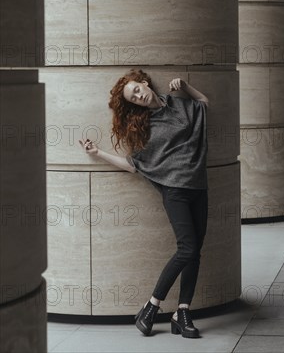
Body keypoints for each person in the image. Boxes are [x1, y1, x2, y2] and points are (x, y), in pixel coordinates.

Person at [79, 68, 209, 338]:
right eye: (133, 98)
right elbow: (133, 165)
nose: (138, 97)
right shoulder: (144, 125)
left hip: (198, 184)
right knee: (187, 249)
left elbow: (204, 104)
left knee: (195, 252)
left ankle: (182, 313)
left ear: (145, 83)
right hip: (175, 191)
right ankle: (152, 305)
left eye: (137, 90)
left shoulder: (178, 104)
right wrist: (98, 153)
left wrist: (185, 86)